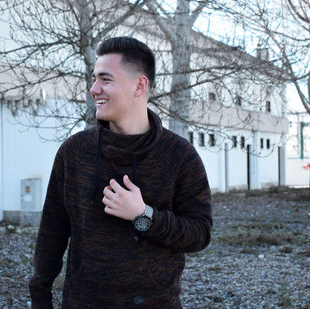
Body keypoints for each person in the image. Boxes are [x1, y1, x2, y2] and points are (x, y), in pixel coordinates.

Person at [29, 36, 212, 309]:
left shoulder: (179, 156)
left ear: (139, 85)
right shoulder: (75, 152)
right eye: (94, 79)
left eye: (105, 79)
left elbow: (199, 233)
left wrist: (144, 216)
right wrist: (40, 295)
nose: (94, 89)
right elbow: (53, 230)